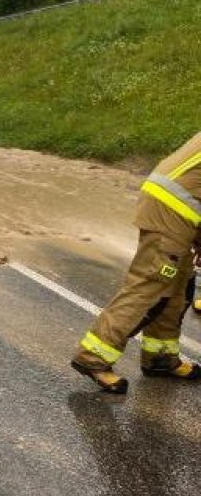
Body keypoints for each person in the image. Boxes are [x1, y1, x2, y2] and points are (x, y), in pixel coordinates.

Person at [72, 132, 201, 393]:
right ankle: (92, 358)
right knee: (152, 283)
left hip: (180, 206)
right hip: (172, 208)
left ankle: (160, 357)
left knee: (179, 285)